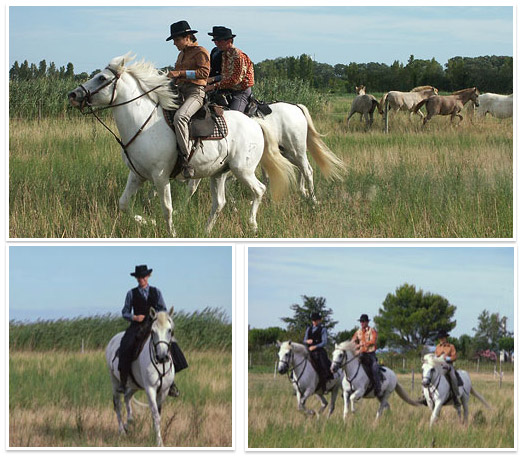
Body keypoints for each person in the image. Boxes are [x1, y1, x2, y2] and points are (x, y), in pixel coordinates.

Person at [118, 264, 187, 397]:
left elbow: (163, 309)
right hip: (137, 326)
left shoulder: (157, 292)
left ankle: (171, 382)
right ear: (136, 278)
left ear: (148, 276)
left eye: (143, 276)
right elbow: (124, 312)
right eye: (139, 277)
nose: (141, 279)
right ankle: (123, 380)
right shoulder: (131, 293)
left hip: (154, 325)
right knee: (126, 344)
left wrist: (157, 317)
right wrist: (134, 317)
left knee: (170, 344)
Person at [166, 20, 210, 179]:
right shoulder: (181, 54)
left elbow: (203, 74)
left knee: (180, 117)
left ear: (187, 37)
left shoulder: (200, 51)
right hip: (180, 91)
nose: (175, 44)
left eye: (177, 40)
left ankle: (186, 160)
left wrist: (181, 74)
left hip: (195, 92)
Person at [205, 26, 254, 112]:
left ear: (229, 41)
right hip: (228, 89)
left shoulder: (238, 56)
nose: (217, 44)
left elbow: (235, 80)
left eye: (220, 41)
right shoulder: (224, 54)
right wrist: (212, 79)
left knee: (234, 115)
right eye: (215, 41)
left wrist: (213, 86)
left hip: (240, 91)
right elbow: (225, 75)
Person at [352, 314, 383, 397]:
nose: (361, 323)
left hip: (370, 354)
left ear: (367, 322)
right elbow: (353, 341)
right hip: (360, 354)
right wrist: (356, 345)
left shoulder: (372, 331)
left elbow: (373, 341)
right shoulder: (358, 332)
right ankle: (348, 386)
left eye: (363, 321)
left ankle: (378, 387)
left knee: (375, 368)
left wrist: (363, 344)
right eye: (361, 321)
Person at [303, 312, 333, 392]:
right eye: (313, 320)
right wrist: (307, 341)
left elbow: (324, 342)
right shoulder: (308, 329)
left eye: (316, 320)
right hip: (308, 350)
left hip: (318, 351)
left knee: (323, 365)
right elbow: (304, 340)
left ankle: (325, 384)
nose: (314, 322)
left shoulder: (323, 329)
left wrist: (315, 346)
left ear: (319, 321)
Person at [435, 330, 461, 407]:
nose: (441, 339)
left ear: (446, 338)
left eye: (443, 338)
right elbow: (435, 356)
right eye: (440, 338)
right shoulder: (437, 347)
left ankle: (455, 397)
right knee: (429, 374)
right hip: (439, 366)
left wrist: (448, 358)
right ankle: (426, 395)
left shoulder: (451, 346)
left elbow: (455, 357)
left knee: (453, 377)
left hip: (448, 366)